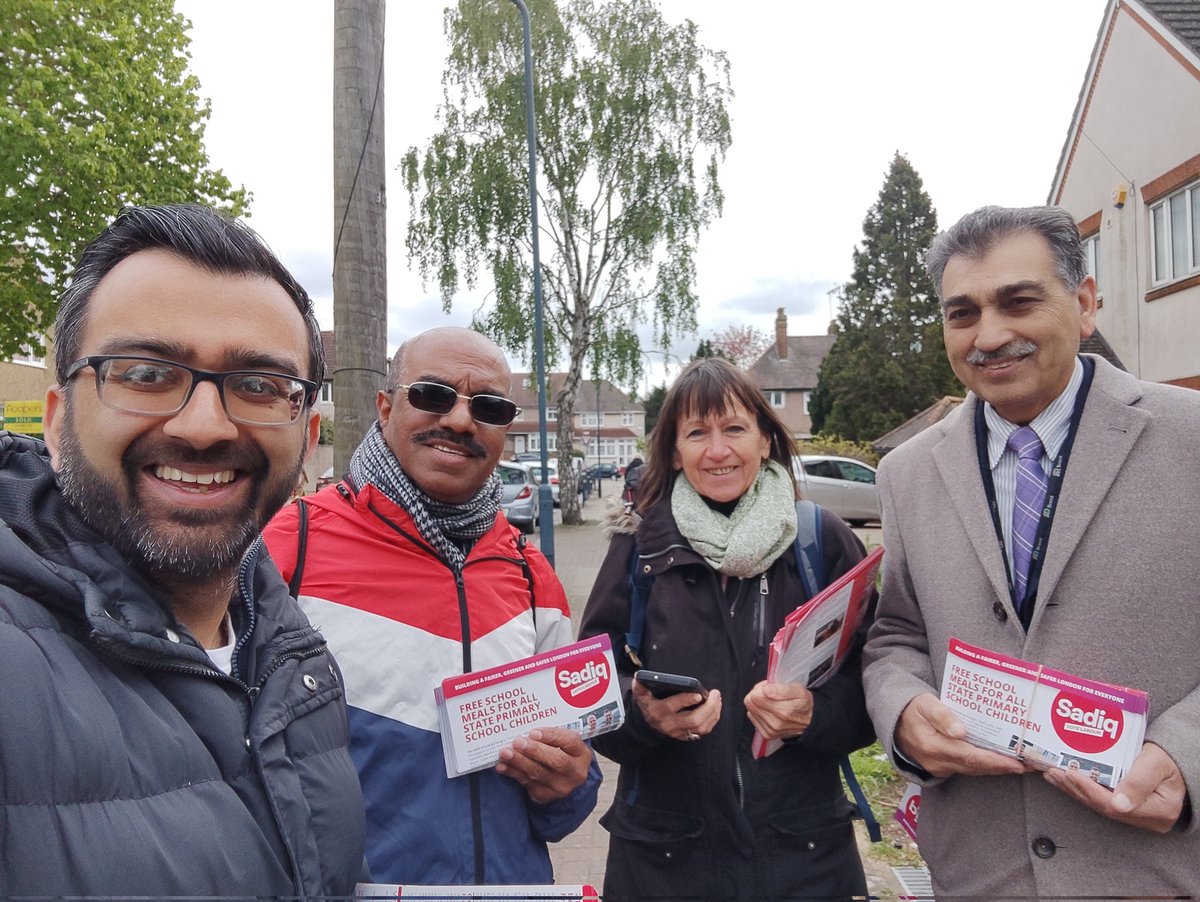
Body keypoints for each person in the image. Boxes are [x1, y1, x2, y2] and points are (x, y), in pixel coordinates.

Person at [0, 204, 365, 897]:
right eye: (145, 374)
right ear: (56, 419)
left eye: (259, 386)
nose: (204, 426)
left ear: (308, 430)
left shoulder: (295, 658)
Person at [863, 205, 1200, 896]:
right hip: (979, 874)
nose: (990, 335)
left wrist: (1190, 754)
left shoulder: (1188, 439)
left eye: (1018, 301)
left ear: (1083, 303)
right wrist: (901, 711)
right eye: (963, 313)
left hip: (1157, 869)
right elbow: (896, 633)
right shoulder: (906, 473)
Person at [263, 326, 601, 885]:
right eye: (433, 394)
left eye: (488, 406)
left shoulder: (531, 575)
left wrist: (568, 783)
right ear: (386, 405)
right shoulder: (289, 547)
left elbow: (566, 795)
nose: (461, 421)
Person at [578, 357, 876, 900]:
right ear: (674, 450)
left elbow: (874, 676)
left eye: (735, 428)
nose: (718, 450)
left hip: (802, 854)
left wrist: (814, 714)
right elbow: (587, 685)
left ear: (764, 439)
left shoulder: (820, 540)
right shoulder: (640, 545)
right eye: (697, 433)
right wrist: (644, 714)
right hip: (666, 858)